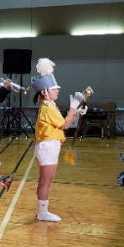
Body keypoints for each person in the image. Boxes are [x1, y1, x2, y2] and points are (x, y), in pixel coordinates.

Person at [33, 58, 87, 222]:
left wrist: (76, 112)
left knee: (44, 180)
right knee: (46, 181)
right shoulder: (48, 107)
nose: (57, 91)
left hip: (49, 145)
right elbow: (64, 125)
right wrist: (73, 107)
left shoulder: (49, 106)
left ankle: (41, 210)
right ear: (44, 91)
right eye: (54, 89)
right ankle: (43, 212)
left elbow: (64, 123)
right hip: (48, 146)